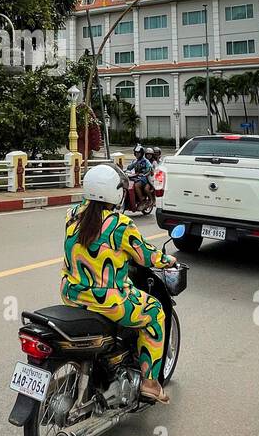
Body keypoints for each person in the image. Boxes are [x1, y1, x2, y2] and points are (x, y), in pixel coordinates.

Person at [61, 165, 177, 404]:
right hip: (109, 301)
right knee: (155, 312)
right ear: (116, 193)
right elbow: (147, 256)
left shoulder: (73, 214)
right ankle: (150, 383)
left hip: (71, 294)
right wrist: (168, 260)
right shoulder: (120, 224)